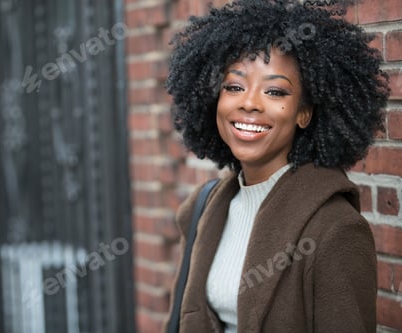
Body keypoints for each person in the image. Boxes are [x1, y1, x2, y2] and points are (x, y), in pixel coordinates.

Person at [164, 0, 389, 332]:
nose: (250, 103)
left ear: (304, 113)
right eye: (234, 86)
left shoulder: (334, 230)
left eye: (274, 91)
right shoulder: (202, 209)